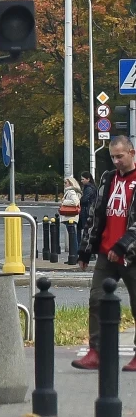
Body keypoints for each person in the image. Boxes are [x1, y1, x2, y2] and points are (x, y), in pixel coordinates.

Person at [72, 136, 136, 371]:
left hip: (131, 255)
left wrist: (123, 246)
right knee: (96, 300)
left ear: (132, 152)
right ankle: (96, 351)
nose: (116, 161)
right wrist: (85, 249)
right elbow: (96, 216)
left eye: (120, 156)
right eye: (112, 157)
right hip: (106, 253)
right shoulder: (108, 179)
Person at [79, 173, 97, 243]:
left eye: (83, 179)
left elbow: (84, 200)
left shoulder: (89, 188)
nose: (81, 181)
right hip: (88, 210)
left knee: (86, 230)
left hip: (87, 211)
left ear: (88, 179)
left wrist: (79, 199)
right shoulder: (89, 187)